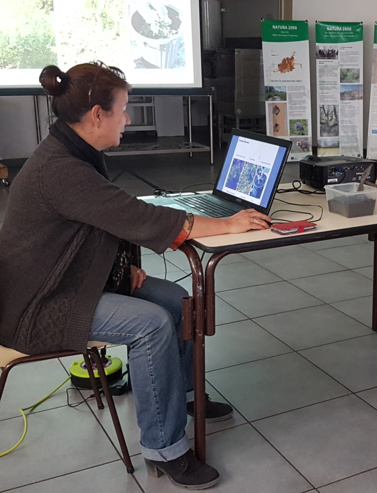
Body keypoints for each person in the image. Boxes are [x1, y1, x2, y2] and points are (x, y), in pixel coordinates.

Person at [0, 62, 271, 490]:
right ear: (97, 115)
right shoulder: (61, 169)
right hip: (39, 304)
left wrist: (119, 269)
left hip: (67, 281)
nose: (127, 120)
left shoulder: (73, 151)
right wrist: (228, 224)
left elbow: (98, 221)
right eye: (123, 110)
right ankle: (165, 449)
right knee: (151, 325)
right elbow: (136, 216)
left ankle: (185, 398)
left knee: (178, 301)